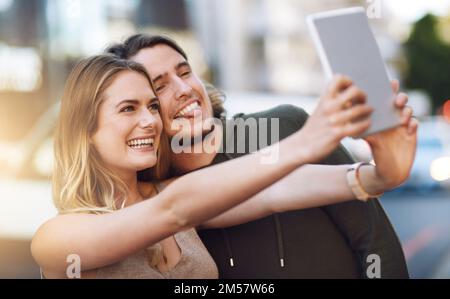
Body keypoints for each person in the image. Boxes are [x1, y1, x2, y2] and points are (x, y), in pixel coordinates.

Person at [31, 54, 385, 279]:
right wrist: (305, 141)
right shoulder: (57, 238)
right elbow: (172, 211)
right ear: (85, 130)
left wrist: (373, 175)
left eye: (152, 107)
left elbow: (275, 193)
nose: (150, 121)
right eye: (128, 109)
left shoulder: (168, 194)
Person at [106, 34, 418, 278]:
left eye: (185, 72)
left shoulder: (283, 125)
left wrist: (381, 174)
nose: (183, 88)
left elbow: (374, 238)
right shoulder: (160, 198)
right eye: (160, 86)